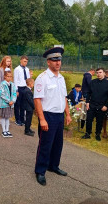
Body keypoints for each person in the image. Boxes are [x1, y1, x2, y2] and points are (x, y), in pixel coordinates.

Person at [34, 47, 72, 186]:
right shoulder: (42, 78)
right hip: (48, 116)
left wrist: (67, 113)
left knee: (58, 144)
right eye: (54, 60)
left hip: (59, 116)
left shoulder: (61, 78)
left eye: (59, 60)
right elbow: (37, 99)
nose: (58, 63)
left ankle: (53, 166)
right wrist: (42, 119)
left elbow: (64, 97)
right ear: (48, 62)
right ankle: (40, 171)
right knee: (45, 145)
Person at [81, 68, 108, 141]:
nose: (98, 74)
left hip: (102, 106)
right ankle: (88, 133)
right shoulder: (92, 82)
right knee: (89, 120)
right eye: (97, 72)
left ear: (104, 73)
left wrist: (106, 106)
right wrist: (87, 102)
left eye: (100, 72)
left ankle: (98, 134)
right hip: (92, 104)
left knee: (99, 121)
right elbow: (88, 93)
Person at [0, 70, 17, 137]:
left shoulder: (13, 84)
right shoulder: (2, 84)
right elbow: (2, 94)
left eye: (10, 76)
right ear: (5, 77)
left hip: (11, 104)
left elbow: (14, 93)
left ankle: (7, 130)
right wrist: (9, 101)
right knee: (3, 117)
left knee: (8, 117)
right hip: (4, 104)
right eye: (8, 76)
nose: (9, 78)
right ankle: (4, 131)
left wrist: (13, 101)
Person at [14, 55, 30, 126]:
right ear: (21, 61)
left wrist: (28, 87)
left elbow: (28, 79)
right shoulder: (17, 69)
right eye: (24, 61)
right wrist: (16, 90)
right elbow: (15, 80)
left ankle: (22, 119)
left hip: (25, 87)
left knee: (23, 104)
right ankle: (17, 119)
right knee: (17, 104)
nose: (25, 63)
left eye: (26, 61)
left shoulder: (27, 69)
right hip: (19, 88)